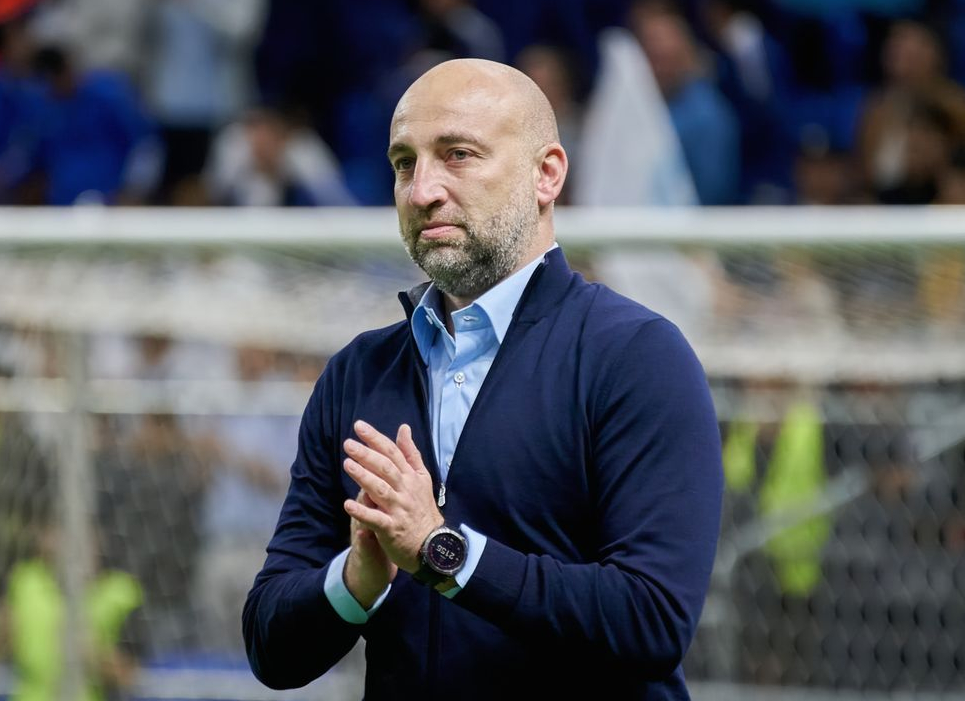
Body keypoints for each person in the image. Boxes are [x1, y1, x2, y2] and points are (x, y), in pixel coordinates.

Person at [243, 58, 723, 699]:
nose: (422, 191)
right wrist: (356, 582)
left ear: (546, 174)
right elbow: (271, 648)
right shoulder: (358, 373)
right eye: (404, 164)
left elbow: (653, 619)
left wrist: (443, 551)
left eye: (458, 155)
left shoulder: (637, 355)